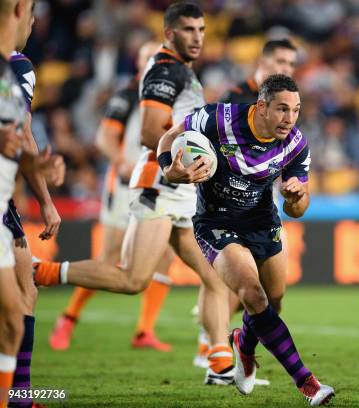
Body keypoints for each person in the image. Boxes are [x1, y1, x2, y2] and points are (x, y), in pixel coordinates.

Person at [33, 2, 234, 385]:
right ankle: (39, 272)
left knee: (216, 276)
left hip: (180, 190)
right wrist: (173, 166)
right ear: (170, 33)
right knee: (132, 279)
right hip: (161, 184)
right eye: (189, 29)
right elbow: (147, 132)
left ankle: (219, 363)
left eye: (202, 29)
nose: (197, 37)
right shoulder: (166, 69)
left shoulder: (182, 70)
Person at [156, 74, 335, 406]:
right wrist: (169, 168)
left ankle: (244, 344)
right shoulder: (217, 119)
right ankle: (307, 382)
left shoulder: (295, 143)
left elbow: (299, 209)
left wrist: (296, 198)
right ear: (262, 106)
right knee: (252, 294)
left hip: (262, 220)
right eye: (282, 109)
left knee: (273, 301)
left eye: (296, 110)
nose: (290, 119)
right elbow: (169, 135)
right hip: (215, 221)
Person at [48, 42, 178, 353]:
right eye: (149, 58)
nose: (154, 64)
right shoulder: (128, 94)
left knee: (163, 257)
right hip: (124, 183)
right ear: (138, 64)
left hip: (159, 184)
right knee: (110, 257)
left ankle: (144, 330)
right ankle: (68, 318)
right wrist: (121, 163)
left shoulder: (173, 94)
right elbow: (104, 137)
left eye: (159, 59)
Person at [193, 38, 297, 371]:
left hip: (258, 213)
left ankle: (219, 341)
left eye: (291, 64)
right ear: (263, 62)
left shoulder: (285, 112)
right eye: (280, 61)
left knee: (264, 296)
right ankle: (214, 349)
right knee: (232, 283)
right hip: (216, 205)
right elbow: (199, 138)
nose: (286, 69)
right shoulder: (235, 100)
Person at [0, 1, 63, 407]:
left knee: (23, 294)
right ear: (24, 10)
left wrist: (45, 197)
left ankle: (19, 396)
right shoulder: (17, 67)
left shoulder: (14, 69)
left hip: (3, 201)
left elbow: (20, 133)